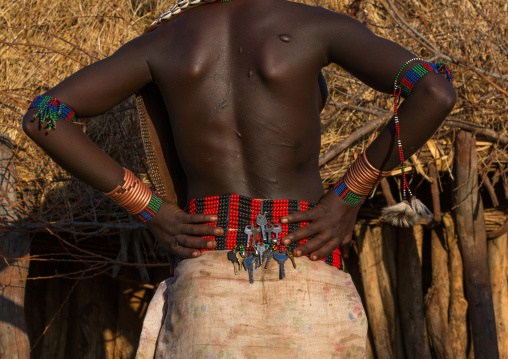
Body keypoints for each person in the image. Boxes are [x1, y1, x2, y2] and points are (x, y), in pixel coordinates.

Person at [22, 0, 456, 356]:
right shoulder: (314, 25)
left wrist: (151, 207)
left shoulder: (163, 42)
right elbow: (434, 89)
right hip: (307, 259)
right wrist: (348, 194)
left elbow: (45, 116)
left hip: (206, 283)